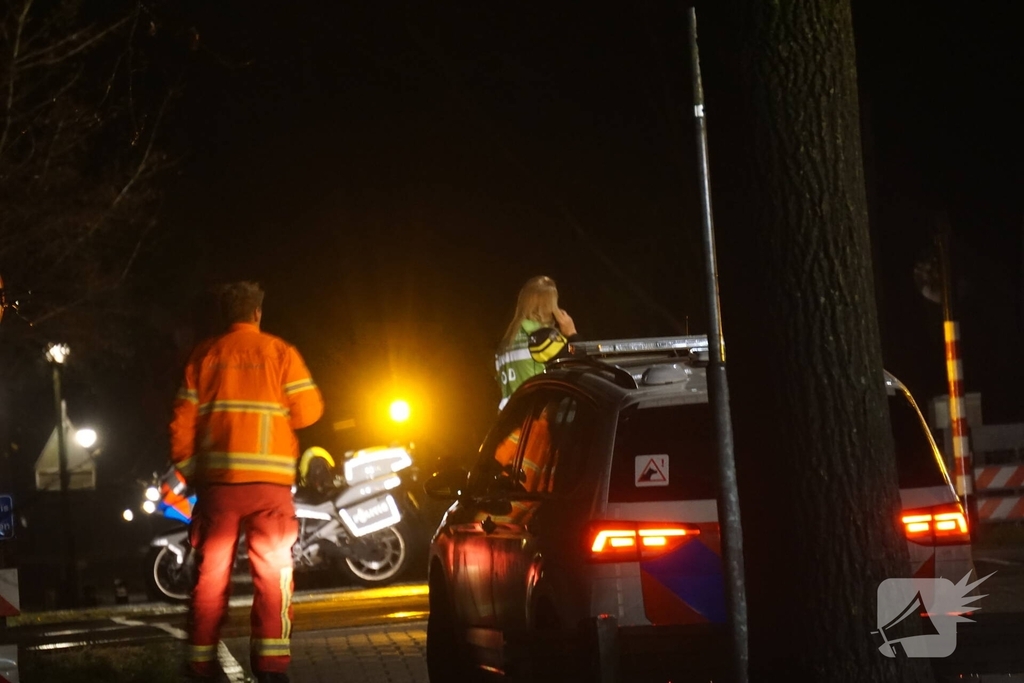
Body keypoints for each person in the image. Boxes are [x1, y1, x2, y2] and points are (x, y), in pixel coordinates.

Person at [169, 281, 324, 683]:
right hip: (270, 487)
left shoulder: (204, 355)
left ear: (226, 316)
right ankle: (272, 668)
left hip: (218, 488)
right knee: (274, 575)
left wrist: (192, 470)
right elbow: (309, 412)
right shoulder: (280, 352)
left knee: (211, 576)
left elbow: (181, 425)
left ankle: (200, 664)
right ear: (257, 313)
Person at [495, 275, 577, 410]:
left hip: (509, 420)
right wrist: (572, 333)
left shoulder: (506, 342)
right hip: (534, 419)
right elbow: (579, 365)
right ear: (550, 306)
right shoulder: (542, 338)